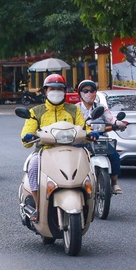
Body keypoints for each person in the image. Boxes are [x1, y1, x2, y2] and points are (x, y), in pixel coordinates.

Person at [20, 74, 98, 222]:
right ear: (45, 91)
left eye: (59, 89)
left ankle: (90, 203)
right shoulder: (36, 111)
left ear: (65, 91)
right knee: (33, 166)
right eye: (52, 89)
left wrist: (90, 133)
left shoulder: (73, 110)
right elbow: (28, 130)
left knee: (90, 168)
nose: (56, 91)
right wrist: (28, 136)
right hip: (45, 151)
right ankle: (37, 205)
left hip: (72, 150)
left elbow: (83, 127)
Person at [76, 80, 126, 194]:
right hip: (82, 139)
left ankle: (114, 183)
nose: (89, 93)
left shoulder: (101, 107)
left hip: (100, 139)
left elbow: (111, 119)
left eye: (92, 90)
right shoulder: (76, 109)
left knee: (114, 156)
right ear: (80, 93)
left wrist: (118, 124)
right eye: (86, 91)